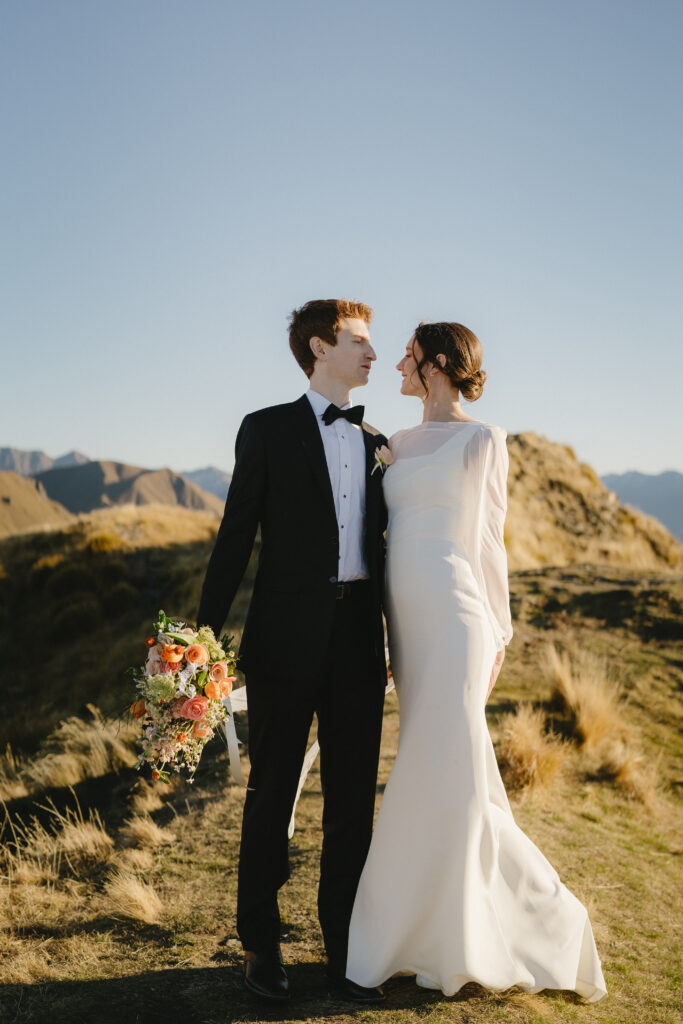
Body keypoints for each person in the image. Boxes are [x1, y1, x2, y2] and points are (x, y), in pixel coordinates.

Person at [346, 321, 607, 1003]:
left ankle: (514, 928)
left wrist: (498, 632)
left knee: (452, 768)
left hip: (458, 616)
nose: (396, 363)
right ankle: (426, 928)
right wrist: (377, 635)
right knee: (432, 765)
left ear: (435, 364)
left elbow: (489, 543)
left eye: (407, 354)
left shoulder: (483, 439)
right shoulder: (394, 444)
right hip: (404, 624)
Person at [197, 299, 388, 1004]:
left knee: (350, 806)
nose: (372, 354)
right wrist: (200, 642)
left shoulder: (377, 441)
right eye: (359, 342)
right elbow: (234, 539)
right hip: (282, 641)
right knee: (271, 792)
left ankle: (344, 951)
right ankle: (261, 944)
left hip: (358, 644)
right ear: (319, 347)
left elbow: (388, 553)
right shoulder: (267, 429)